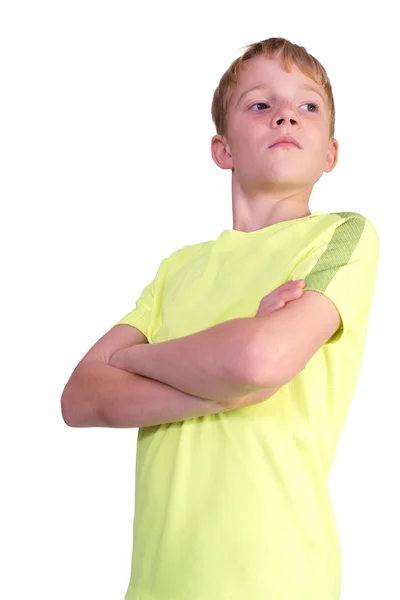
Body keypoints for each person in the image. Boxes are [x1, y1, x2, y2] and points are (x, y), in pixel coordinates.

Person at [61, 37, 380, 600]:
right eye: (260, 104)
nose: (285, 113)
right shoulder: (176, 271)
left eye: (308, 106)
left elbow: (260, 359)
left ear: (331, 153)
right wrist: (220, 389)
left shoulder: (340, 236)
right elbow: (82, 397)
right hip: (157, 582)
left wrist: (135, 361)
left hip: (276, 577)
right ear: (222, 149)